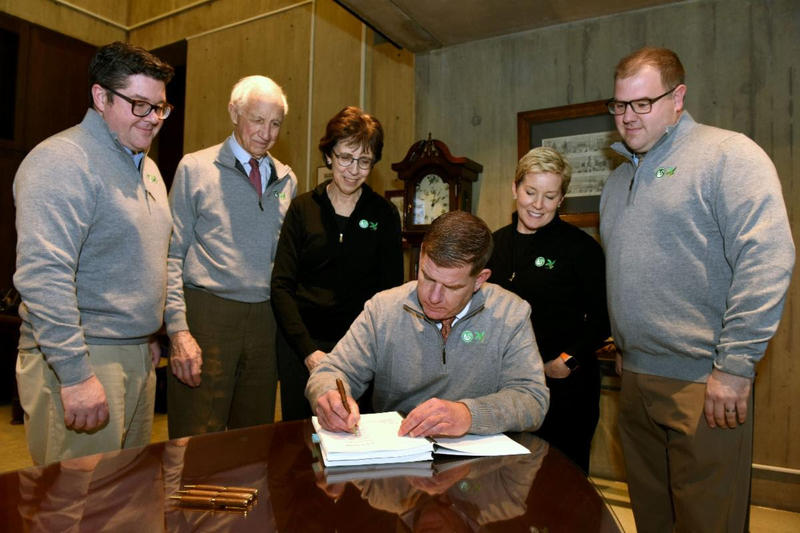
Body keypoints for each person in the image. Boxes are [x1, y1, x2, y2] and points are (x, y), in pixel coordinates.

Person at [600, 47, 794, 532]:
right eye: (620, 105)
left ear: (678, 97)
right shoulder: (617, 181)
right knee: (653, 520)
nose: (628, 117)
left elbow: (768, 258)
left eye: (643, 103)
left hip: (705, 383)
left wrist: (735, 366)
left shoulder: (728, 154)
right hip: (635, 380)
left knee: (709, 523)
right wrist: (624, 345)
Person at [13, 42, 174, 465]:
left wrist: (144, 336)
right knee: (77, 495)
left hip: (136, 357)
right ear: (101, 97)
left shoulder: (148, 167)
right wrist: (76, 374)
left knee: (125, 492)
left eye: (160, 107)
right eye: (140, 105)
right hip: (82, 358)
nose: (153, 118)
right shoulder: (62, 161)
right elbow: (44, 275)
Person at [307, 211, 549, 437]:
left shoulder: (510, 313)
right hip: (400, 449)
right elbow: (331, 371)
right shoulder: (383, 309)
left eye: (451, 287)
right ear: (421, 255)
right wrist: (328, 396)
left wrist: (469, 415)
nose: (433, 297)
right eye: (427, 277)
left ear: (479, 280)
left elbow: (532, 399)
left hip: (480, 459)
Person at [165, 75, 297, 438]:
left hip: (265, 321)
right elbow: (172, 255)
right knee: (196, 436)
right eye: (257, 120)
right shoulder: (195, 168)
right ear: (234, 113)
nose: (266, 133)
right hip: (208, 315)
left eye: (275, 124)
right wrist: (178, 330)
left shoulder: (287, 180)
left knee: (253, 438)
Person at [271, 105, 403, 421]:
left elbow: (390, 293)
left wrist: (361, 352)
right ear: (329, 155)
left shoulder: (384, 214)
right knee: (299, 439)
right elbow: (281, 286)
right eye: (345, 157)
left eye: (364, 161)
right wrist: (308, 351)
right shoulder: (302, 209)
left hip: (360, 352)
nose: (353, 169)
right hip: (301, 348)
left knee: (355, 433)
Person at [486, 146, 610, 473]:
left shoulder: (581, 248)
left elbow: (603, 318)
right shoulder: (493, 245)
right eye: (530, 192)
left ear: (561, 199)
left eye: (550, 196)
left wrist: (568, 360)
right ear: (515, 189)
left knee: (562, 484)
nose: (538, 204)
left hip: (565, 390)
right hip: (505, 389)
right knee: (506, 483)